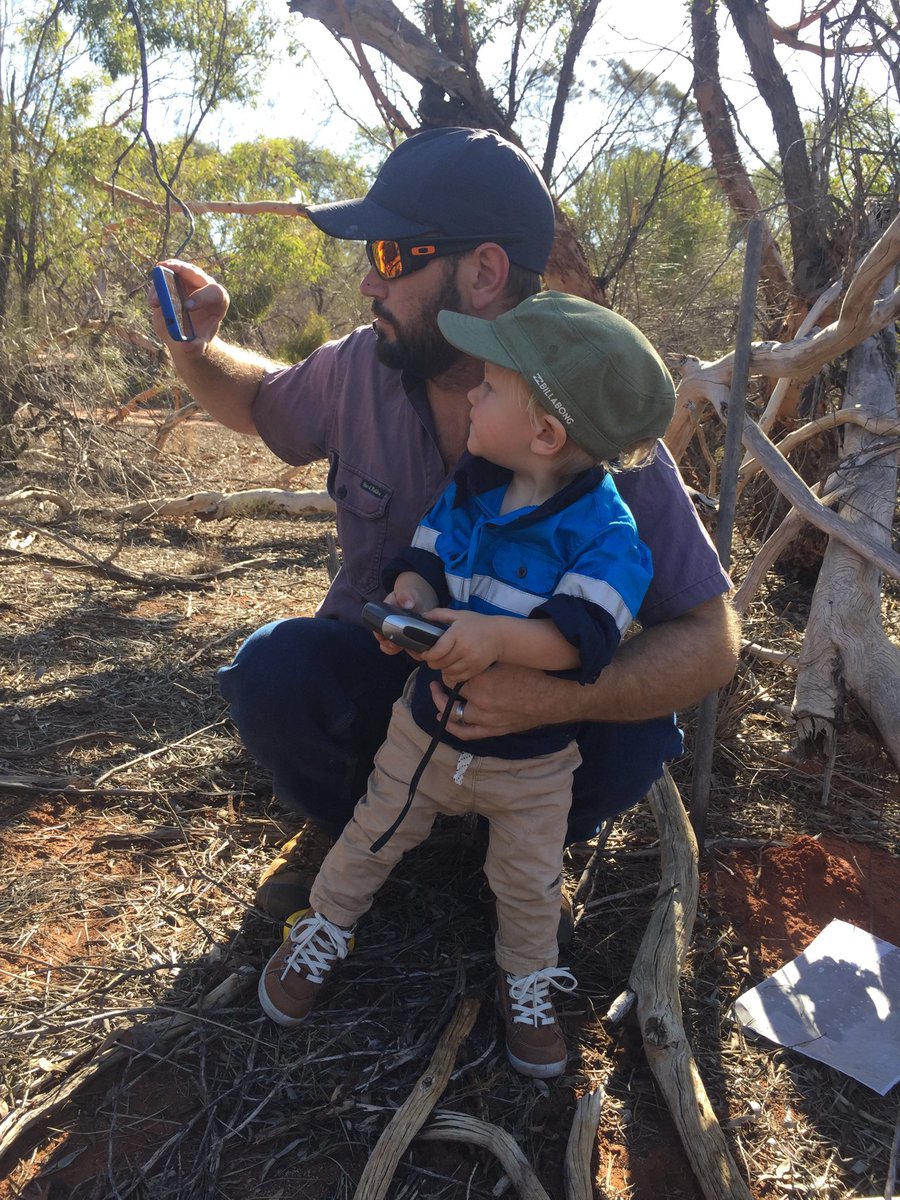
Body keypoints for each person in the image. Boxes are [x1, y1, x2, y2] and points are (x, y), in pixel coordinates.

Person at [149, 126, 737, 928]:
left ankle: (512, 855)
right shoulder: (365, 363)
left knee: (635, 738)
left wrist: (548, 697)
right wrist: (195, 344)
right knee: (275, 673)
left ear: (484, 270)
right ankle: (359, 824)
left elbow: (711, 639)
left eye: (391, 256)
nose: (367, 283)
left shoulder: (592, 401)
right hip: (399, 686)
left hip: (538, 725)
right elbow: (259, 402)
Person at [257, 291, 677, 1078]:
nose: (471, 395)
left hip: (533, 764)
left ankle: (527, 983)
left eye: (488, 386)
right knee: (374, 830)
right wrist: (413, 597)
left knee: (527, 881)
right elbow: (427, 554)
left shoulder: (611, 536)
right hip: (424, 730)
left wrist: (492, 639)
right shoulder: (474, 484)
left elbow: (579, 639)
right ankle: (326, 928)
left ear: (546, 433)